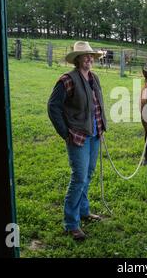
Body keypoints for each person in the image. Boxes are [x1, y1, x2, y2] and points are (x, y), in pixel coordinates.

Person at [48, 41, 107, 241]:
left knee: (88, 174)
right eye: (85, 56)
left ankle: (83, 211)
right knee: (79, 177)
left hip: (95, 134)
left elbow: (97, 105)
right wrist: (65, 133)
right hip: (78, 136)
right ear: (77, 59)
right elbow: (53, 107)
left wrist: (101, 127)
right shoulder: (67, 80)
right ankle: (71, 223)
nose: (90, 59)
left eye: (91, 56)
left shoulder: (94, 78)